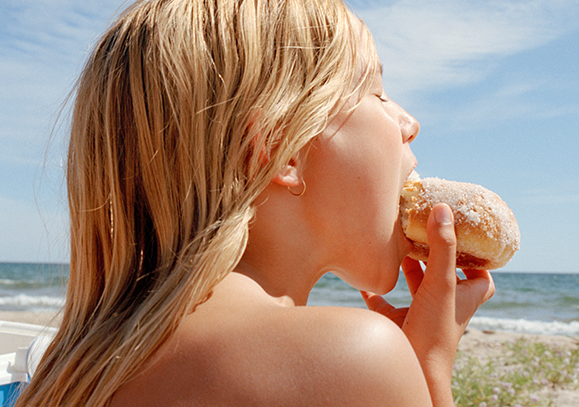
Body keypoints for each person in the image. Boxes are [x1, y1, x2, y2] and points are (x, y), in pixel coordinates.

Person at [16, 0, 495, 406]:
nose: (409, 122)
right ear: (282, 148)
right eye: (376, 93)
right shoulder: (354, 357)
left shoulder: (69, 365)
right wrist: (426, 371)